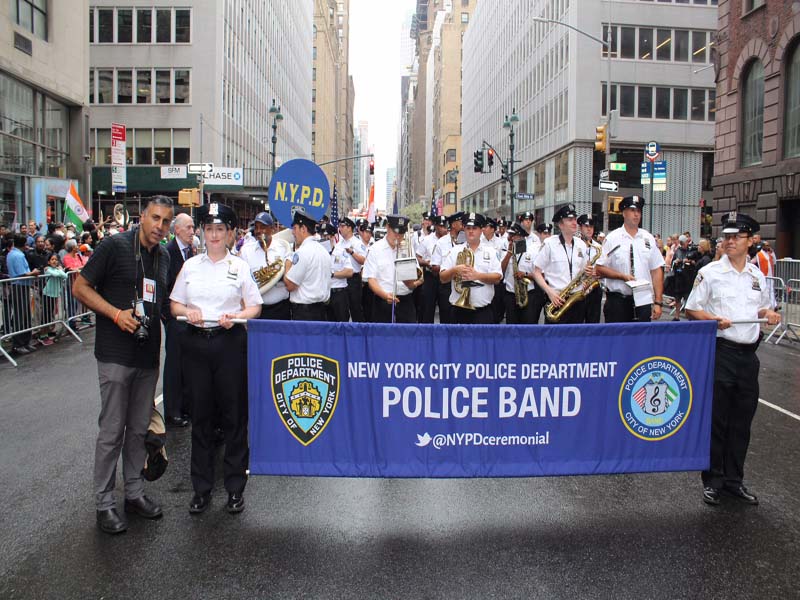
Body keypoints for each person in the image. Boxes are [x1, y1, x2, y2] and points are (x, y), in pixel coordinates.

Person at [72, 195, 174, 535]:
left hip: (147, 358)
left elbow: (163, 303)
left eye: (166, 221)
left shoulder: (163, 256)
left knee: (138, 431)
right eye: (155, 218)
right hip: (115, 355)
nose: (160, 227)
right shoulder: (114, 246)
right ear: (141, 217)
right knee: (112, 431)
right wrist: (116, 314)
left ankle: (133, 493)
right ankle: (104, 504)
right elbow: (80, 286)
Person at [170, 202, 262, 515]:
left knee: (234, 418)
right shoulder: (191, 266)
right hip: (197, 344)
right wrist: (188, 312)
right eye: (208, 229)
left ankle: (235, 489)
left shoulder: (239, 266)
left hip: (229, 344)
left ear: (230, 233)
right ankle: (201, 489)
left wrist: (237, 315)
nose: (213, 235)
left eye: (220, 229)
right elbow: (175, 305)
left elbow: (254, 307)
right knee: (202, 420)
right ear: (201, 232)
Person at [685, 212, 781, 507]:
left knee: (742, 422)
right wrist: (713, 319)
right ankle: (713, 481)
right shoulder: (711, 272)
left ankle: (733, 481)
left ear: (750, 241)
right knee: (718, 420)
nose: (728, 241)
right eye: (726, 237)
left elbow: (764, 308)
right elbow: (692, 309)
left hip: (748, 356)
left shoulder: (756, 276)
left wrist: (770, 314)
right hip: (722, 351)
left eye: (735, 237)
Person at [595, 195, 665, 323]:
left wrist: (658, 302)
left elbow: (656, 270)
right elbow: (599, 269)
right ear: (624, 213)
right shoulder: (613, 238)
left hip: (643, 301)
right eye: (632, 210)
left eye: (638, 211)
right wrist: (622, 276)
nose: (636, 214)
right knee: (617, 341)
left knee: (641, 341)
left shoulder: (647, 238)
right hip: (618, 301)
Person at [160, 212, 196, 429]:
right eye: (189, 227)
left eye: (193, 228)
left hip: (188, 316)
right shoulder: (168, 252)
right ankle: (172, 411)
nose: (193, 231)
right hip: (174, 318)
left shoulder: (191, 252)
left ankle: (185, 407)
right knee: (174, 365)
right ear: (178, 230)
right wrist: (168, 316)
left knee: (187, 365)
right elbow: (164, 287)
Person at [532, 204, 591, 325]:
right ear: (561, 225)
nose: (574, 222)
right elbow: (536, 272)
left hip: (577, 299)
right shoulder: (549, 244)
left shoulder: (581, 244)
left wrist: (587, 279)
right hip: (557, 299)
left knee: (576, 340)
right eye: (570, 220)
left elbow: (584, 271)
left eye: (575, 219)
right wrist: (549, 292)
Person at [440, 213, 502, 324]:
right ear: (464, 229)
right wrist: (455, 270)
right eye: (468, 228)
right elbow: (442, 278)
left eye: (474, 228)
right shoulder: (455, 251)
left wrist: (477, 276)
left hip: (482, 312)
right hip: (458, 310)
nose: (471, 231)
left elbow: (497, 278)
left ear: (481, 230)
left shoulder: (491, 252)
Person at [363, 214, 424, 323]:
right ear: (387, 227)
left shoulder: (408, 249)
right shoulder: (375, 249)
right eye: (395, 232)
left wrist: (412, 284)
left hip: (405, 300)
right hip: (383, 300)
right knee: (382, 337)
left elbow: (419, 276)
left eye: (401, 233)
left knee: (408, 336)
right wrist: (385, 295)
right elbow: (371, 279)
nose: (398, 236)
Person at [239, 211, 293, 320]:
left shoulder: (283, 248)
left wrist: (276, 277)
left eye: (263, 227)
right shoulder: (246, 251)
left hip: (280, 308)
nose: (259, 231)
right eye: (257, 227)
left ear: (272, 229)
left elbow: (290, 276)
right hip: (257, 309)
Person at [284, 207, 331, 321]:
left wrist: (288, 262)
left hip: (304, 313)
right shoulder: (323, 250)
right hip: (320, 311)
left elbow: (290, 285)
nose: (293, 232)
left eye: (295, 228)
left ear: (303, 229)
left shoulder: (303, 252)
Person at [500, 223, 541, 324]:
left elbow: (540, 275)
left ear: (521, 236)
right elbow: (500, 271)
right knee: (511, 329)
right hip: (510, 295)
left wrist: (525, 274)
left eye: (513, 235)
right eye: (509, 235)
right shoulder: (506, 249)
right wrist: (508, 254)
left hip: (528, 295)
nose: (510, 238)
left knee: (528, 327)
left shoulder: (533, 251)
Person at [6, 234, 41, 354]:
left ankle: (25, 341)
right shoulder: (18, 255)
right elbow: (21, 273)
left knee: (25, 315)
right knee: (21, 316)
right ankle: (19, 343)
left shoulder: (12, 254)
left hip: (21, 286)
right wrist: (33, 273)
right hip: (20, 286)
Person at [430, 212, 464, 324]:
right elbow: (434, 266)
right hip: (446, 286)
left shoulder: (466, 241)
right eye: (460, 222)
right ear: (453, 225)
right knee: (447, 318)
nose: (463, 224)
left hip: (464, 285)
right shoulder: (441, 242)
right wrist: (449, 269)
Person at [416, 215, 448, 323]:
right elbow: (418, 257)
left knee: (446, 308)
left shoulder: (450, 241)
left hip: (445, 277)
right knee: (427, 309)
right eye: (441, 226)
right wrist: (427, 263)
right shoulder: (427, 240)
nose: (443, 229)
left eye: (445, 226)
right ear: (435, 226)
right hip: (431, 277)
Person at [337, 217, 367, 322]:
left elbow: (364, 260)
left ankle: (358, 334)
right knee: (342, 309)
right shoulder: (339, 244)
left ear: (349, 228)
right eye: (339, 226)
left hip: (353, 279)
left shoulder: (358, 243)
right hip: (341, 278)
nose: (340, 228)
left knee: (355, 309)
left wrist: (352, 252)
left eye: (343, 226)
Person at [325, 223, 353, 321]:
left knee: (342, 326)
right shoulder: (319, 253)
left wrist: (333, 274)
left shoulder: (341, 251)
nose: (324, 239)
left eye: (327, 236)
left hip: (339, 293)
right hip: (324, 294)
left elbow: (349, 272)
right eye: (322, 236)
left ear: (333, 236)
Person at [578, 214, 603, 324]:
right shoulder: (574, 244)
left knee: (593, 323)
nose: (589, 229)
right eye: (586, 226)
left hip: (594, 289)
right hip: (578, 288)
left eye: (591, 227)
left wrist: (597, 272)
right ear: (580, 228)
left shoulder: (599, 247)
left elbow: (604, 268)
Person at [41, 252, 67, 343]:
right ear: (48, 261)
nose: (54, 261)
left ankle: (47, 333)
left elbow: (65, 276)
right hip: (47, 294)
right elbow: (56, 275)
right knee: (45, 316)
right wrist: (60, 270)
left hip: (55, 295)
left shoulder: (56, 269)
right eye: (52, 259)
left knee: (51, 315)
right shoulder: (47, 269)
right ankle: (43, 335)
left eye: (56, 259)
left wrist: (60, 270)